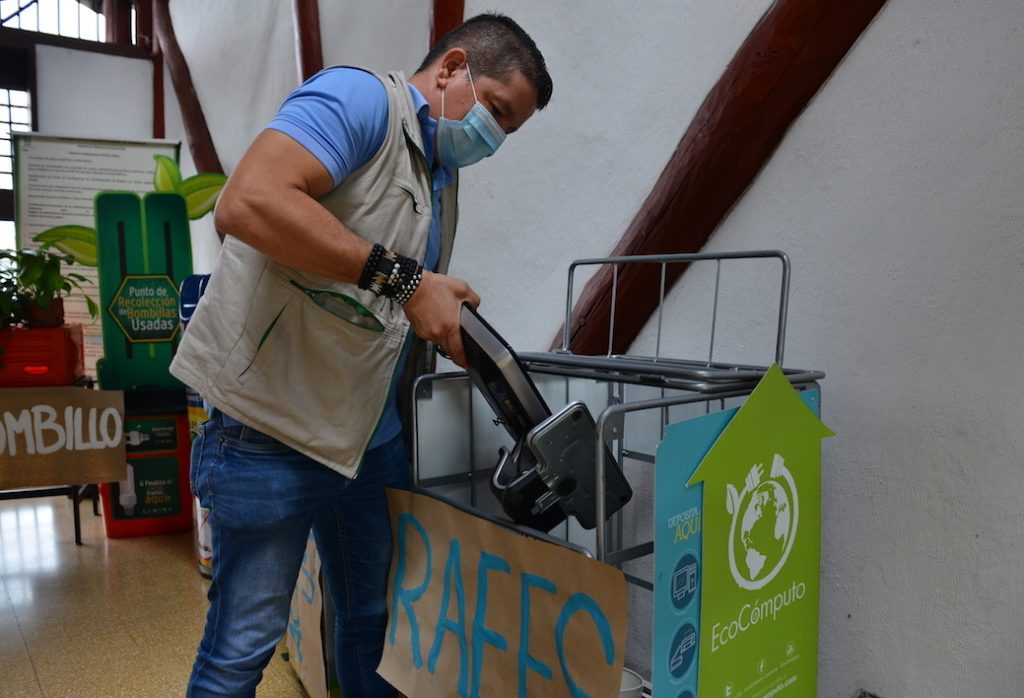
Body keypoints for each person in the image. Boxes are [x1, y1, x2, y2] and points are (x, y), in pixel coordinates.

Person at [170, 12, 552, 698]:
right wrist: (408, 279)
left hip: (365, 437)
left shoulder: (440, 176)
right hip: (270, 430)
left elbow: (386, 296)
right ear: (451, 68)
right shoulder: (359, 102)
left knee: (371, 620)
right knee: (241, 647)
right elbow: (248, 202)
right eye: (495, 111)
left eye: (510, 130)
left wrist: (438, 308)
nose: (494, 137)